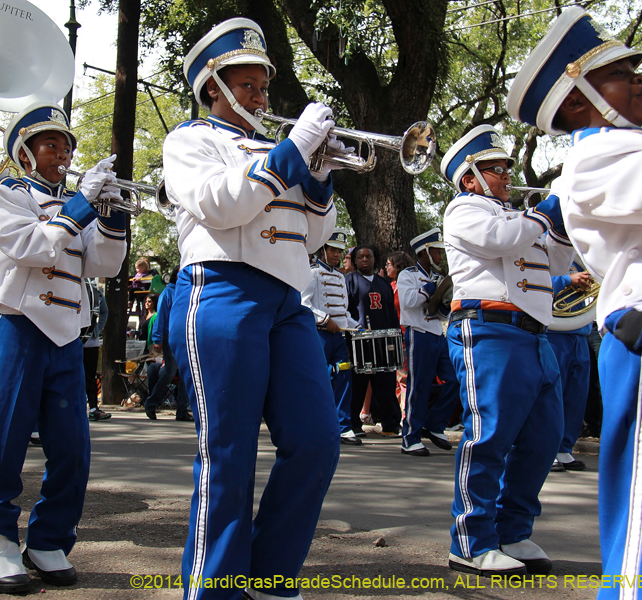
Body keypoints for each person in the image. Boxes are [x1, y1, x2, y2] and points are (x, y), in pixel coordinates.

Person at [164, 17, 342, 600]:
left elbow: (316, 238)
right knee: (229, 452)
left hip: (288, 301)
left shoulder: (277, 150)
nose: (262, 98)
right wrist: (293, 151)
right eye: (248, 86)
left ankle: (268, 577)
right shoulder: (191, 140)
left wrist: (317, 175)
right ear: (213, 87)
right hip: (221, 290)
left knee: (318, 441)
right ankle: (213, 590)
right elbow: (225, 204)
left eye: (264, 87)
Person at [508, 8, 642, 593]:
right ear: (578, 102)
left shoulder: (635, 145)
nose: (639, 76)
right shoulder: (595, 156)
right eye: (621, 72)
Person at [0, 103, 126, 594]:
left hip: (65, 334)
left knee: (72, 448)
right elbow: (30, 248)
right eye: (51, 144)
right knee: (4, 438)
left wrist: (114, 216)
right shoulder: (8, 194)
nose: (63, 153)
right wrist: (81, 206)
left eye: (68, 145)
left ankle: (49, 538)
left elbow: (103, 265)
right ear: (25, 153)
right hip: (17, 326)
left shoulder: (79, 203)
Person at [439, 124, 573, 577]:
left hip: (535, 334)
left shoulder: (516, 217)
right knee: (489, 435)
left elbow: (556, 262)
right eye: (496, 170)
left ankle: (513, 530)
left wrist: (566, 217)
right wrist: (549, 206)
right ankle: (470, 540)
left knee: (544, 437)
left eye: (506, 169)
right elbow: (501, 241)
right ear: (470, 177)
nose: (506, 177)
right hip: (490, 329)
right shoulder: (464, 209)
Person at [397, 228, 458, 457]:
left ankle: (434, 424)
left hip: (436, 334)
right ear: (425, 252)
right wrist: (427, 290)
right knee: (418, 386)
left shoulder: (437, 277)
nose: (440, 258)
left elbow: (440, 314)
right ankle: (410, 437)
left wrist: (442, 306)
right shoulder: (408, 275)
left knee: (454, 379)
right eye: (437, 253)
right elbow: (409, 301)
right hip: (418, 333)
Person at [301, 229, 360, 445]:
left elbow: (343, 312)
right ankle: (315, 424)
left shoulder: (339, 277)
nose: (336, 255)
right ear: (323, 250)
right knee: (319, 379)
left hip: (339, 337)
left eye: (339, 251)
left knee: (344, 378)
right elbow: (303, 303)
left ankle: (344, 427)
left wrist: (357, 326)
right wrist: (325, 319)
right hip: (320, 335)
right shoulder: (312, 272)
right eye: (333, 250)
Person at [346, 245, 401, 436]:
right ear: (354, 260)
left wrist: (395, 332)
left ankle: (391, 425)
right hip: (359, 342)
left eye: (368, 256)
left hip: (383, 341)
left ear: (374, 259)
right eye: (360, 257)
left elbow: (391, 311)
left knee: (385, 383)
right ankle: (353, 425)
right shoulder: (349, 281)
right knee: (358, 385)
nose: (364, 260)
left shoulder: (383, 283)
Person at [547, 261, 593, 472]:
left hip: (579, 334)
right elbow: (528, 283)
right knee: (552, 395)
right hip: (554, 334)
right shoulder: (542, 250)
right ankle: (547, 449)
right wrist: (566, 280)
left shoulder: (576, 260)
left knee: (576, 396)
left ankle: (565, 448)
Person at [143, 266, 192, 422]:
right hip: (169, 336)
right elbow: (161, 316)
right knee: (170, 371)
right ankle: (151, 402)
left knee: (186, 373)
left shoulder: (187, 291)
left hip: (185, 336)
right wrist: (157, 339)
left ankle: (182, 410)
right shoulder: (168, 292)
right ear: (177, 276)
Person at [82, 280, 111, 422]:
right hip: (74, 338)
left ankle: (93, 408)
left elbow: (104, 312)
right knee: (73, 373)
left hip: (91, 341)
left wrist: (98, 328)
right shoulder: (74, 287)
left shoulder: (97, 293)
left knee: (90, 375)